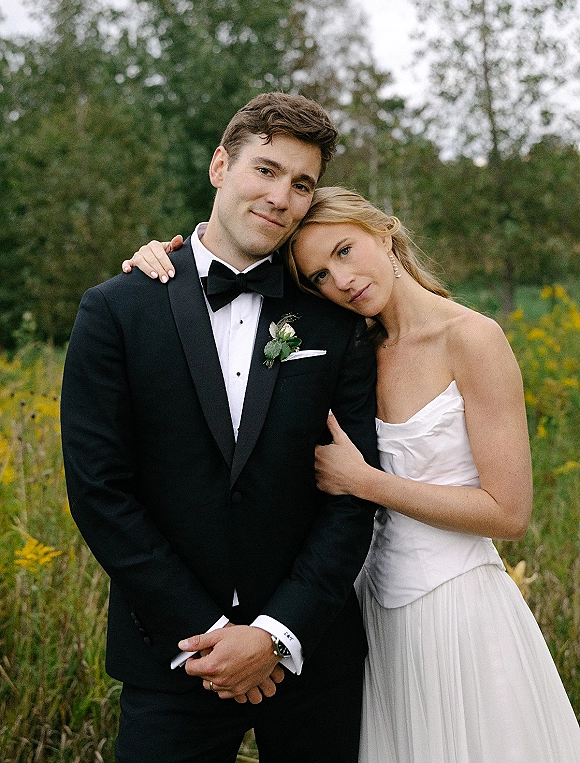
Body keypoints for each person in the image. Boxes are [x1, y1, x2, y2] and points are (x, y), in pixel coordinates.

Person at [129, 185, 580, 762]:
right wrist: (162, 258)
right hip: (366, 615)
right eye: (317, 276)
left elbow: (508, 513)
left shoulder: (473, 338)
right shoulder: (353, 345)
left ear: (383, 231)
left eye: (344, 251)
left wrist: (368, 482)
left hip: (455, 611)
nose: (339, 281)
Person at [60, 95, 380, 763]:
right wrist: (207, 632)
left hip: (310, 655)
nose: (280, 196)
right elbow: (100, 491)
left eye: (301, 184)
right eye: (265, 170)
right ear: (219, 166)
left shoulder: (331, 319)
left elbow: (351, 497)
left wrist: (276, 633)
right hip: (172, 657)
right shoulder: (115, 310)